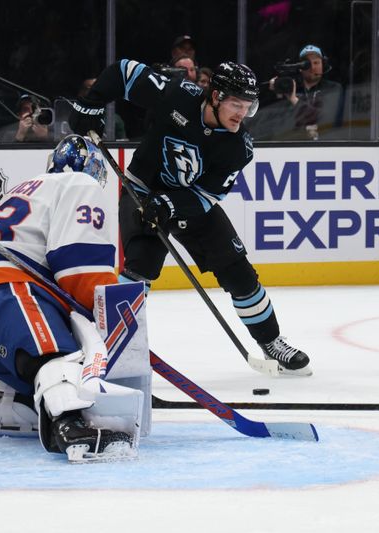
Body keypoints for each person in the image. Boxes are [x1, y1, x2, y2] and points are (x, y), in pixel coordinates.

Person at [69, 60, 312, 376]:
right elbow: (122, 72)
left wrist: (169, 204)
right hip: (141, 191)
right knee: (139, 269)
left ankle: (271, 341)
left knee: (240, 274)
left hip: (191, 205)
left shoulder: (239, 147)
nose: (241, 113)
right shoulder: (176, 95)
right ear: (215, 96)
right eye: (235, 104)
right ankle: (102, 343)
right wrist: (90, 105)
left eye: (248, 106)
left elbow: (206, 196)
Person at [0, 135, 148, 461]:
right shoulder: (80, 184)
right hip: (8, 291)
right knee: (60, 355)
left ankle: (10, 405)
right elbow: (80, 269)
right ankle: (69, 424)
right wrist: (110, 324)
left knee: (42, 351)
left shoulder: (19, 191)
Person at [268, 44, 345, 140]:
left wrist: (294, 99)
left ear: (323, 65)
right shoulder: (288, 87)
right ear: (300, 67)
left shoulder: (333, 88)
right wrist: (276, 92)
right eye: (307, 64)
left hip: (326, 144)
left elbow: (326, 119)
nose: (312, 67)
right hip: (291, 144)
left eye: (316, 63)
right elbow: (274, 122)